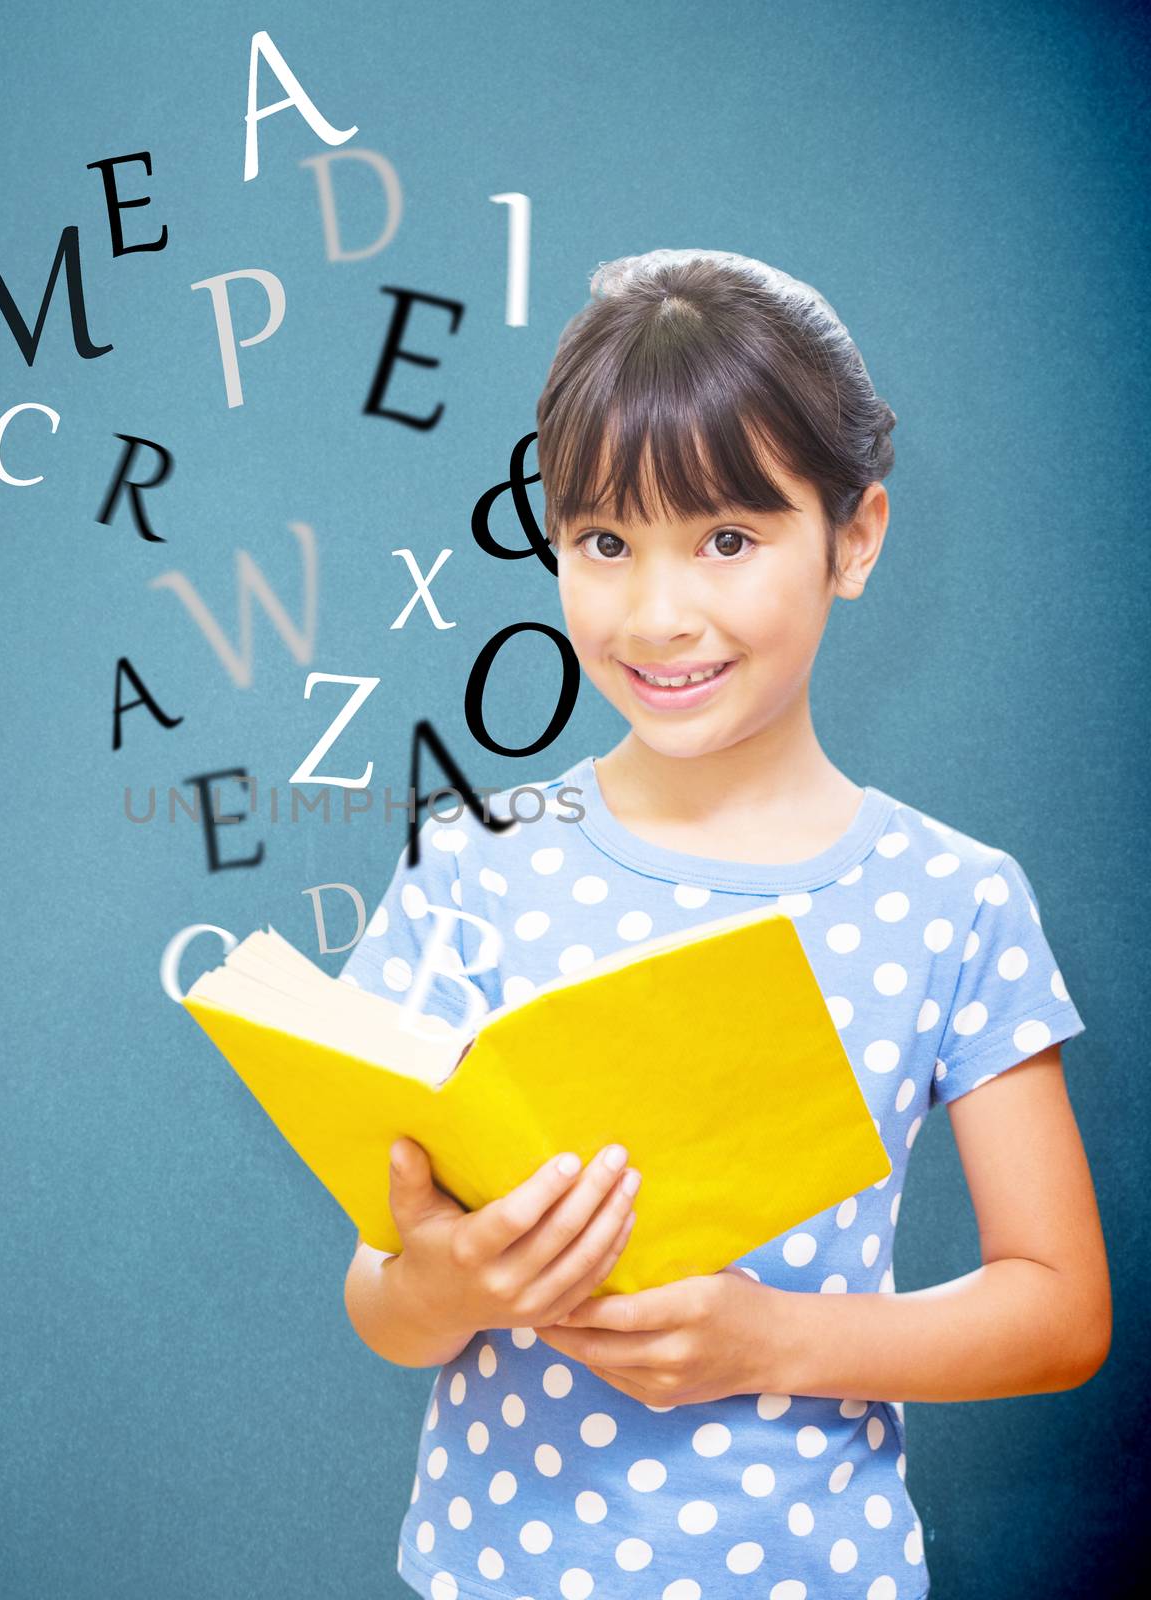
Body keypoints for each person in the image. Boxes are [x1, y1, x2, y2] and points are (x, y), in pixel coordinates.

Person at [336, 248, 1111, 1600]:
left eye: (730, 540)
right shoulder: (470, 867)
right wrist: (456, 1281)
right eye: (603, 543)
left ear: (854, 538)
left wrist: (773, 1340)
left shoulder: (953, 899)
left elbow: (1059, 1308)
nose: (658, 612)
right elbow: (383, 1308)